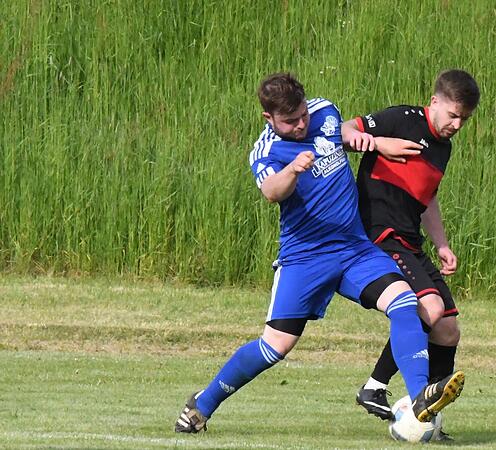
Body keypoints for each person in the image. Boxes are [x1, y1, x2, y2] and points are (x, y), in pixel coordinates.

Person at [174, 73, 465, 433]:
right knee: (275, 346)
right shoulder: (267, 150)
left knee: (406, 302)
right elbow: (271, 191)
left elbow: (340, 134)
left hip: (355, 250)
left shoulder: (324, 111)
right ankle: (201, 405)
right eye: (290, 121)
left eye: (302, 115)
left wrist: (374, 142)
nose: (300, 125)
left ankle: (420, 397)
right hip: (306, 259)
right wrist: (293, 170)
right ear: (268, 118)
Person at [341, 70, 480, 432]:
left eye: (464, 119)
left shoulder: (443, 149)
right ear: (435, 102)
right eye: (453, 115)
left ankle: (431, 419)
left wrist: (442, 244)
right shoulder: (401, 119)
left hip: (410, 240)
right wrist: (378, 144)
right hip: (380, 233)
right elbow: (341, 132)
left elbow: (427, 197)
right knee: (430, 308)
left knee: (447, 330)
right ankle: (375, 386)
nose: (457, 125)